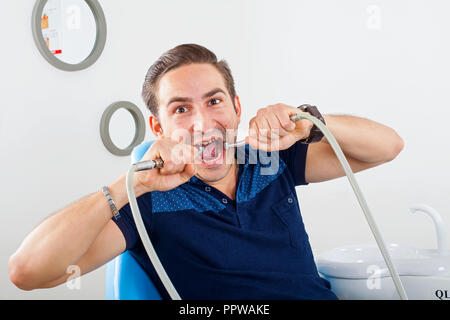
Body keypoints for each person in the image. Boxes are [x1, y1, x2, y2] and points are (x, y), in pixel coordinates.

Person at [8, 43, 404, 299]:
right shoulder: (146, 201)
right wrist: (127, 185)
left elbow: (387, 147)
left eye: (214, 101)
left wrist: (313, 124)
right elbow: (28, 272)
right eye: (181, 109)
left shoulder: (269, 157)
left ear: (235, 107)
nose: (202, 122)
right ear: (159, 128)